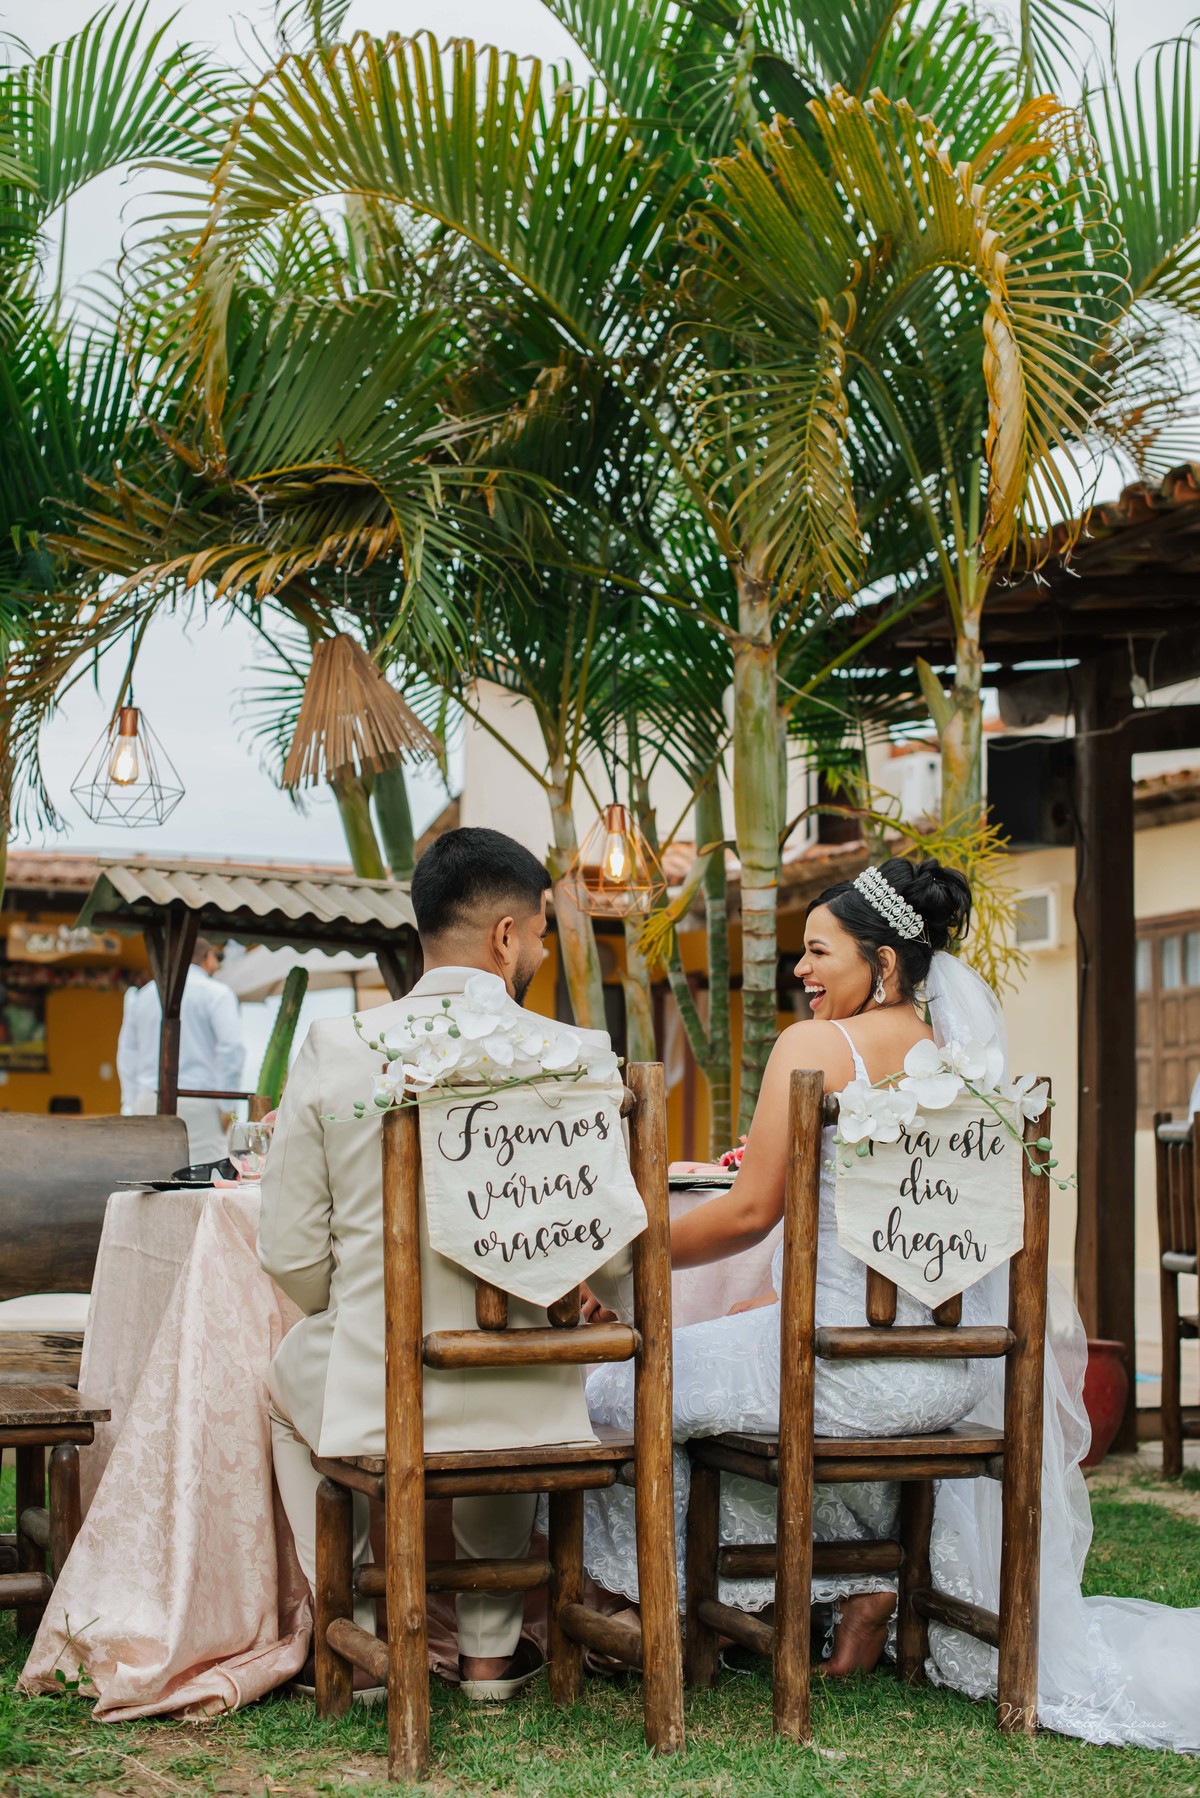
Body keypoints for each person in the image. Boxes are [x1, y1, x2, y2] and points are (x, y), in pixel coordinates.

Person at [582, 857, 1200, 1751]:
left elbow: (751, 1213)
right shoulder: (968, 1067)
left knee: (615, 1388)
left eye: (818, 951)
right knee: (725, 1384)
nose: (801, 969)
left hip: (834, 1375)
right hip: (951, 1378)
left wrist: (620, 1253)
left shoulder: (813, 1049)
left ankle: (670, 1613)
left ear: (883, 962)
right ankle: (860, 1585)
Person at [258, 827, 633, 1703]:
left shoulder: (340, 1048)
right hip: (534, 1404)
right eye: (539, 932)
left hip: (382, 1394)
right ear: (505, 936)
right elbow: (616, 1262)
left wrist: (364, 1314)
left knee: (283, 1380)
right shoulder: (576, 1056)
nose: (540, 950)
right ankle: (490, 1658)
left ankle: (359, 1635)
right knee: (509, 1384)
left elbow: (288, 1252)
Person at [116, 939, 244, 1163]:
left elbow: (128, 1054)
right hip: (201, 1101)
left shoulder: (143, 996)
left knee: (150, 1173)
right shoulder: (217, 993)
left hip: (148, 1098)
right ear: (208, 957)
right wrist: (227, 1106)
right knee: (204, 1175)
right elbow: (231, 1049)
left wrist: (131, 1102)